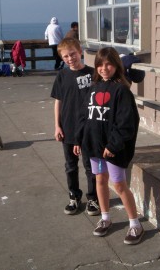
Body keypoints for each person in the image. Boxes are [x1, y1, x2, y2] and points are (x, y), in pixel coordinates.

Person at [74, 47, 144, 245]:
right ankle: (105, 218)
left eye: (109, 64)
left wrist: (113, 146)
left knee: (119, 185)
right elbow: (83, 117)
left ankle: (135, 224)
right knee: (100, 181)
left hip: (113, 149)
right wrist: (79, 140)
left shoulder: (122, 90)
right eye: (100, 64)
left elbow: (126, 123)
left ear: (116, 65)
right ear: (96, 66)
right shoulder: (93, 88)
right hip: (94, 148)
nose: (104, 68)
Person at [50, 37, 100, 216]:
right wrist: (57, 126)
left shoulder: (94, 73)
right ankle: (74, 196)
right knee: (70, 165)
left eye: (72, 54)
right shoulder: (62, 76)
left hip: (89, 129)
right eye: (65, 56)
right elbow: (58, 102)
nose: (70, 58)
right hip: (68, 128)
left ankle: (93, 198)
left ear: (80, 52)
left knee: (90, 165)